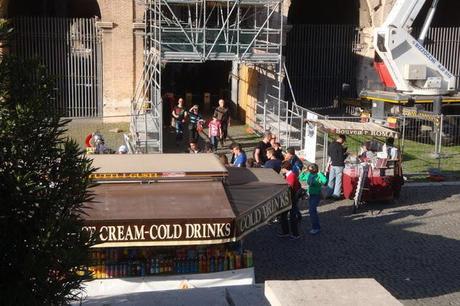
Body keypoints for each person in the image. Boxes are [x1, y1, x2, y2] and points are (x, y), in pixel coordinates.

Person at [299, 163, 327, 235]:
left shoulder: (318, 175)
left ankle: (316, 227)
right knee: (312, 211)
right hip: (310, 195)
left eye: (310, 169)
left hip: (316, 195)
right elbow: (301, 178)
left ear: (315, 169)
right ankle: (316, 226)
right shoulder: (309, 175)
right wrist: (303, 171)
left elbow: (325, 181)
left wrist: (320, 173)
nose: (309, 170)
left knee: (312, 211)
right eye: (309, 169)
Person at [278, 160, 301, 240]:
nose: (281, 170)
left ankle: (295, 234)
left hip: (292, 199)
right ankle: (286, 232)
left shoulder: (291, 176)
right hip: (290, 198)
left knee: (292, 217)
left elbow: (289, 188)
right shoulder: (290, 175)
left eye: (282, 168)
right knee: (284, 215)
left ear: (285, 168)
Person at [327, 134, 347, 200]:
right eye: (343, 140)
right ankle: (336, 195)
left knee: (331, 179)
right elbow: (342, 157)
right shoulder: (340, 146)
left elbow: (329, 153)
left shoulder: (331, 144)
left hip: (332, 164)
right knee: (338, 180)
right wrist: (346, 155)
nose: (343, 142)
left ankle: (328, 194)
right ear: (341, 139)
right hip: (339, 165)